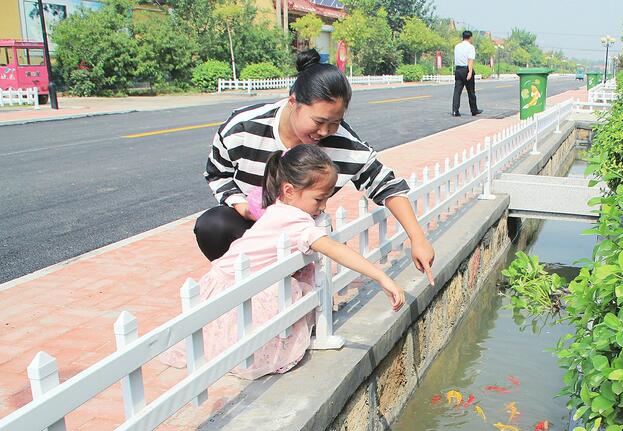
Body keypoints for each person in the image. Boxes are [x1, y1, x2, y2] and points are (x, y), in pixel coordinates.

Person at [161, 145, 405, 380]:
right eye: (319, 199)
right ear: (289, 190)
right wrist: (381, 277)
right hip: (241, 287)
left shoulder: (279, 208)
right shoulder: (293, 219)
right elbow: (333, 249)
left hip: (233, 280)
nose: (323, 207)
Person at [196, 48, 435, 285]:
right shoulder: (243, 127)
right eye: (319, 121)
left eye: (334, 123)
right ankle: (244, 293)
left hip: (302, 234)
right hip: (250, 227)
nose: (324, 132)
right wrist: (244, 208)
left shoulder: (344, 143)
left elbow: (387, 186)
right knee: (213, 225)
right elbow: (218, 173)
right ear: (293, 102)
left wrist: (417, 238)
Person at [452, 30, 482, 117]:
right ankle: (474, 110)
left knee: (457, 91)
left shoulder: (457, 46)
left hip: (458, 70)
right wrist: (470, 72)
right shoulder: (470, 47)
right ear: (470, 37)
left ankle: (455, 110)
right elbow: (470, 60)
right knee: (471, 91)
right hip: (466, 69)